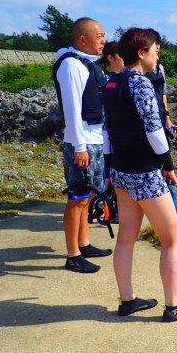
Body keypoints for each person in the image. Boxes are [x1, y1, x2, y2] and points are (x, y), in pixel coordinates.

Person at [103, 27, 177, 322]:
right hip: (144, 171)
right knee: (173, 236)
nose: (158, 54)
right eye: (156, 49)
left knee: (126, 237)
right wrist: (168, 166)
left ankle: (128, 300)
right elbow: (155, 133)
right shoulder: (140, 83)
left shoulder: (113, 83)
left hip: (121, 169)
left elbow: (108, 132)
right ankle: (173, 306)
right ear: (142, 52)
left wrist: (110, 167)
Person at [52, 17, 111, 273]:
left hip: (94, 139)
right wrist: (79, 147)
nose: (103, 41)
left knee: (88, 196)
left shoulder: (89, 64)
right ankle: (72, 254)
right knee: (77, 197)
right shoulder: (71, 66)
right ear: (82, 39)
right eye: (99, 36)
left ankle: (84, 242)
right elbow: (73, 109)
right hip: (82, 141)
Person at [145, 31, 175, 134]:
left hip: (160, 112)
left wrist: (167, 116)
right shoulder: (139, 71)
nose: (157, 47)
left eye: (158, 43)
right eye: (154, 43)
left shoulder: (160, 68)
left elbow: (163, 93)